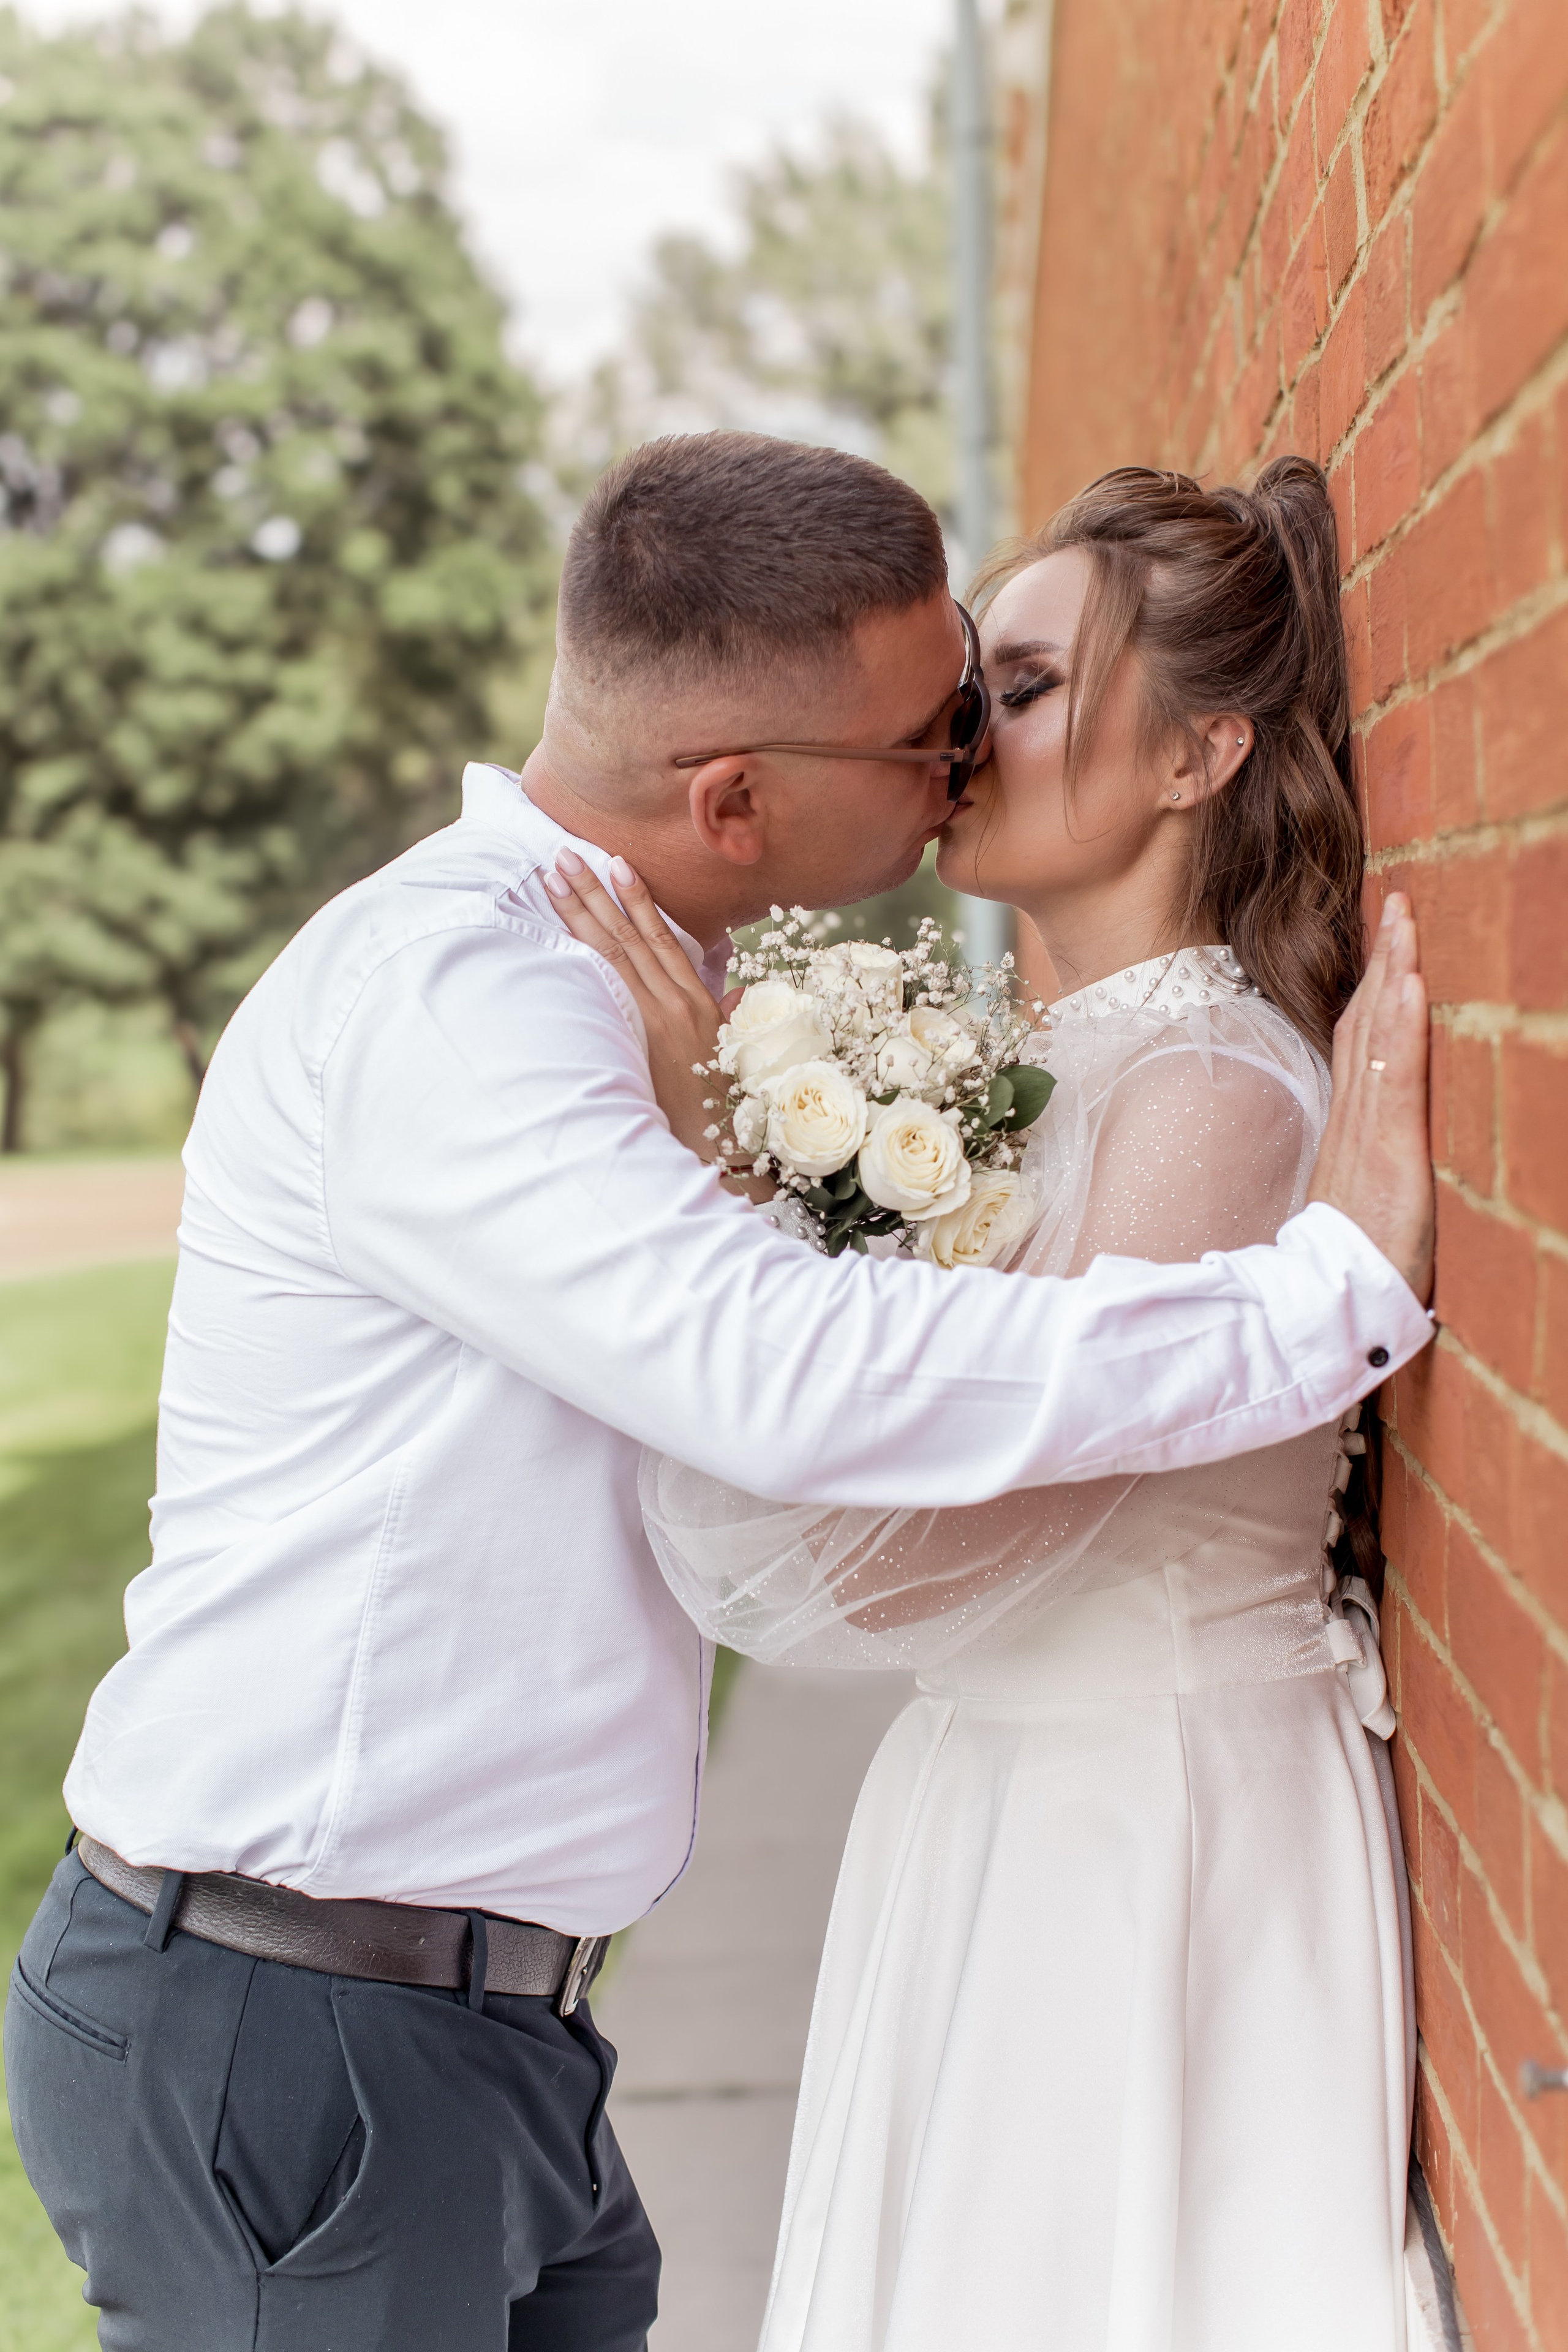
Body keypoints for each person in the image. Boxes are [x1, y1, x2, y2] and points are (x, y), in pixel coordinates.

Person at [6, 435, 1431, 2352]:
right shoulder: (475, 1004)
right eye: (939, 719)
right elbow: (779, 1379)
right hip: (307, 2023)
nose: (961, 761)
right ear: (736, 795)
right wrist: (1323, 1301)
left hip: (470, 2031)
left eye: (997, 695)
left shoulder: (626, 992)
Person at [548, 456, 1423, 2350]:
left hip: (1142, 1819)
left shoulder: (1208, 1091)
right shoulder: (1053, 1065)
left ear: (1196, 758)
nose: (963, 735)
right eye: (966, 689)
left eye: (1020, 690)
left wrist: (722, 1218)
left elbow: (926, 1571)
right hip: (1013, 1786)